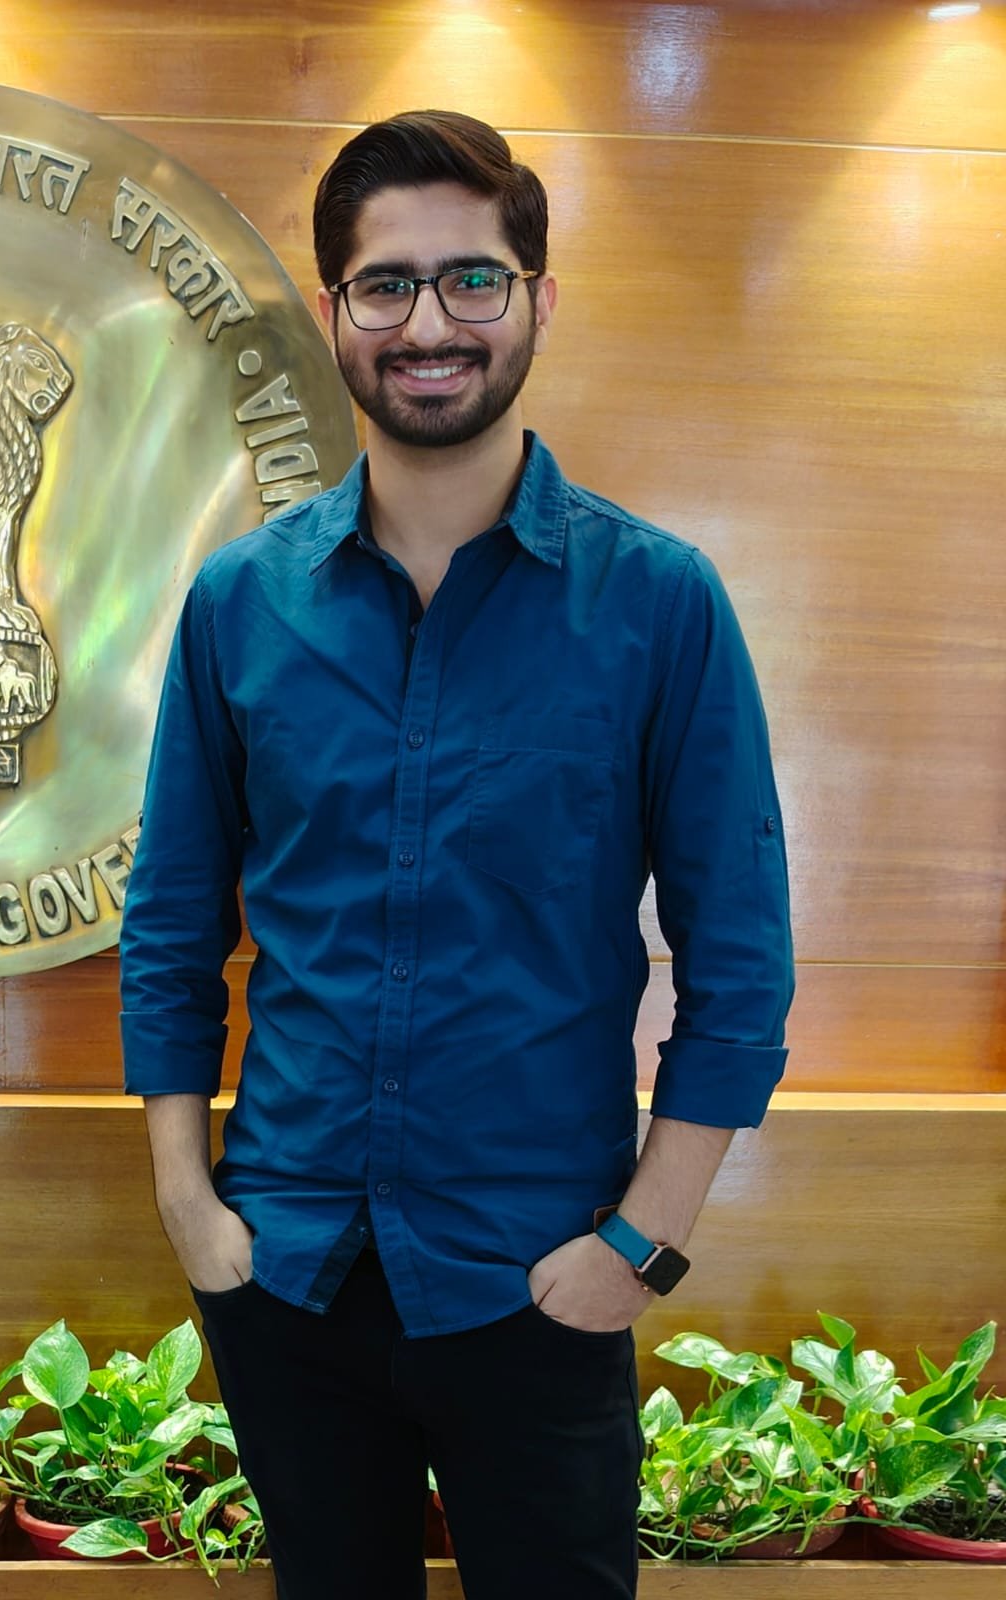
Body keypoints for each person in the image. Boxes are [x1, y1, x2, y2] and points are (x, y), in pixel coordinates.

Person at [118, 109, 792, 1599]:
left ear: (538, 299)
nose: (429, 325)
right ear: (335, 313)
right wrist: (188, 1202)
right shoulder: (240, 605)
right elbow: (170, 926)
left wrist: (640, 1248)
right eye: (387, 285)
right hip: (289, 1272)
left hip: (539, 1278)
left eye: (472, 279)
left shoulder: (659, 606)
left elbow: (741, 969)